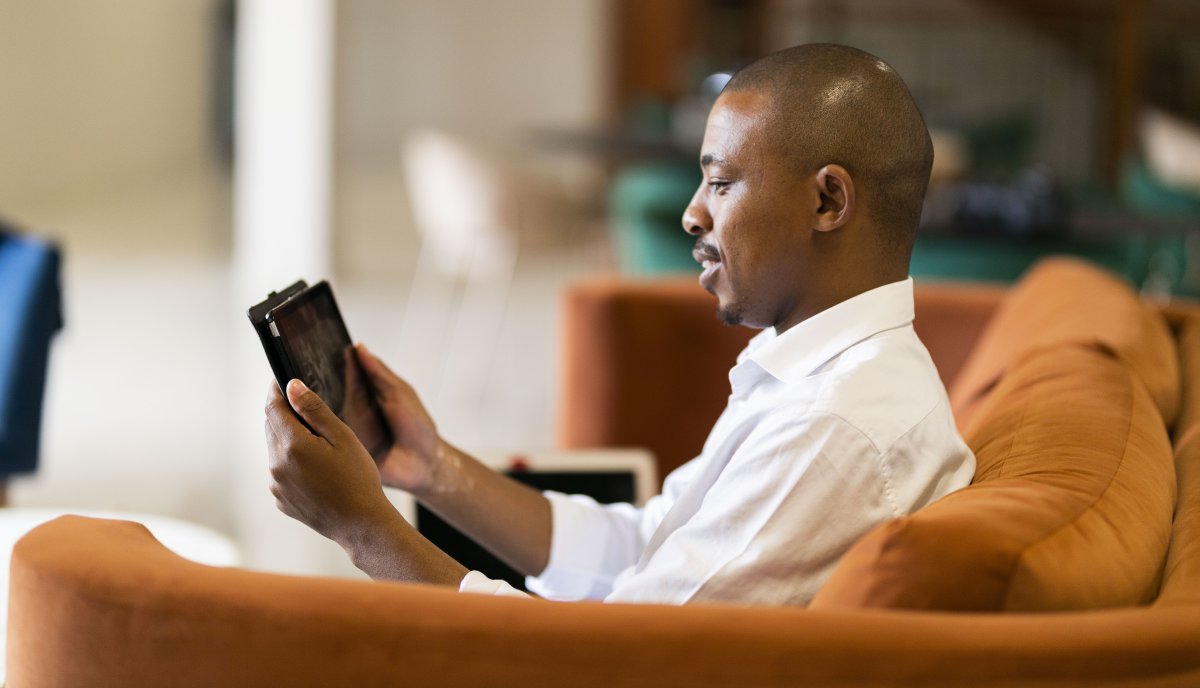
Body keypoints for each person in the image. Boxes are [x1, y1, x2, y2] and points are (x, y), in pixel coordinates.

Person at [265, 43, 976, 606]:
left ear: (828, 201)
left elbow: (602, 667)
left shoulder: (835, 427)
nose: (692, 214)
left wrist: (364, 530)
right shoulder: (814, 371)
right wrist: (431, 468)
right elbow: (641, 547)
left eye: (722, 183)